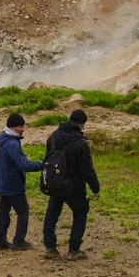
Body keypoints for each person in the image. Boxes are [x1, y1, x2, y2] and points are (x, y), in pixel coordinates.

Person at [42, 110, 100, 259]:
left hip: (55, 181)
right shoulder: (81, 143)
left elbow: (48, 158)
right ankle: (73, 250)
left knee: (52, 213)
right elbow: (87, 169)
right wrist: (95, 188)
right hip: (74, 185)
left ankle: (49, 248)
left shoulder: (54, 136)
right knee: (80, 213)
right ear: (82, 124)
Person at [0, 114, 44, 251]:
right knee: (23, 211)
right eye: (20, 127)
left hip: (1, 183)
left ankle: (1, 241)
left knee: (3, 212)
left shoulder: (2, 139)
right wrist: (42, 165)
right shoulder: (12, 143)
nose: (23, 129)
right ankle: (19, 240)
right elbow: (24, 165)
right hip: (13, 184)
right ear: (12, 127)